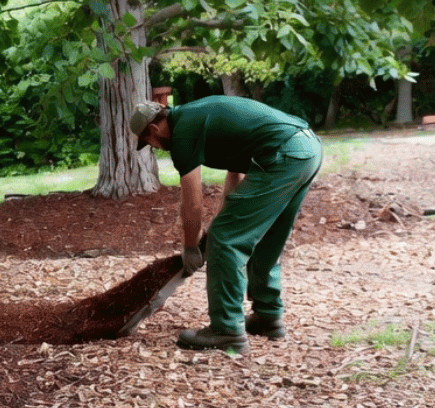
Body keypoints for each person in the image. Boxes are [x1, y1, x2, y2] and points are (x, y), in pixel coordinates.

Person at [130, 95, 323, 354]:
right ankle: (268, 316)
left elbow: (192, 202)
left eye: (149, 143)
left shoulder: (183, 134)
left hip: (282, 154)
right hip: (307, 149)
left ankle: (226, 330)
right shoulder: (198, 115)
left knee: (226, 239)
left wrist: (190, 246)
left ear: (153, 130)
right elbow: (237, 173)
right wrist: (220, 222)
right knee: (265, 235)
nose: (155, 147)